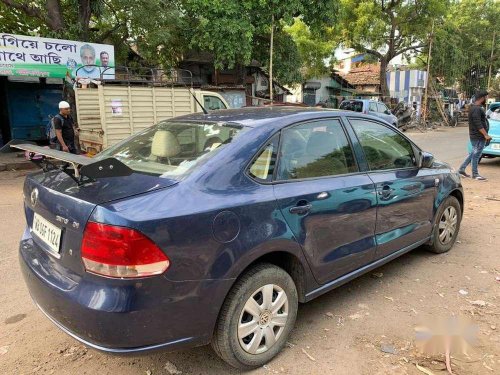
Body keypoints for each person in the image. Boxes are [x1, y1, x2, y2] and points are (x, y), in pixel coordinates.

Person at [458, 90, 491, 181]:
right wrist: (485, 135)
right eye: (485, 98)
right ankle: (475, 174)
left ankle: (461, 169)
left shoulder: (475, 108)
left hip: (477, 136)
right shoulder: (476, 109)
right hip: (478, 137)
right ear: (481, 98)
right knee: (476, 155)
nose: (486, 99)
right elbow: (478, 124)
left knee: (473, 153)